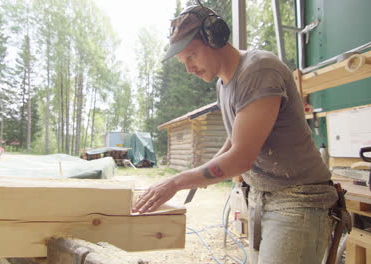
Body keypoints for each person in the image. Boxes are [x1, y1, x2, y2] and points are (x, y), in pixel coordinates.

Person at [133, 5, 338, 264]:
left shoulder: (259, 70)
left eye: (192, 56)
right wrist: (202, 173)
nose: (189, 69)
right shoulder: (223, 84)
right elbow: (236, 139)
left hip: (298, 199)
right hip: (262, 196)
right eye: (184, 62)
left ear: (214, 37)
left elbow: (241, 157)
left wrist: (176, 182)